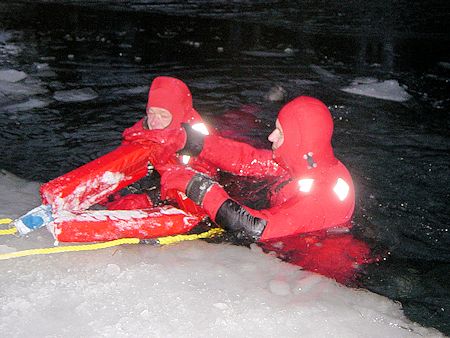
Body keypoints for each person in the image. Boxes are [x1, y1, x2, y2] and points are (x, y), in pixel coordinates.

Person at [157, 96, 355, 242]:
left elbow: (256, 228)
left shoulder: (322, 195)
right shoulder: (306, 162)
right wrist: (192, 142)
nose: (271, 137)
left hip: (310, 267)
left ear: (299, 141)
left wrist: (198, 188)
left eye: (280, 132)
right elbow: (248, 160)